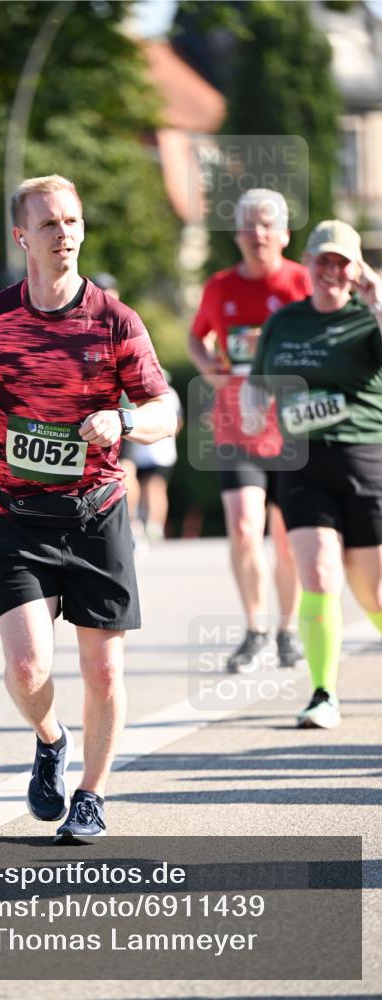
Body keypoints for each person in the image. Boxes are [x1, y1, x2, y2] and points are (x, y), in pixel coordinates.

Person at [0, 174, 176, 841]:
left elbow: (167, 410)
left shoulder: (113, 320)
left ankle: (92, 797)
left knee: (103, 669)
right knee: (26, 668)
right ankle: (49, 739)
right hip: (17, 515)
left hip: (96, 511)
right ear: (22, 237)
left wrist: (123, 421)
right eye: (48, 224)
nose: (63, 234)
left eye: (72, 222)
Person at [243, 220, 382, 728]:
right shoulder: (287, 321)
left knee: (373, 592)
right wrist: (256, 410)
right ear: (308, 261)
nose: (330, 270)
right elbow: (259, 381)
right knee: (318, 572)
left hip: (365, 457)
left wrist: (378, 300)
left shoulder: (369, 317)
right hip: (301, 460)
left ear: (356, 267)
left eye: (340, 260)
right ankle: (324, 692)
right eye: (322, 259)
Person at [189, 189, 311, 672]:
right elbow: (197, 335)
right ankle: (256, 628)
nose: (257, 233)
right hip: (235, 427)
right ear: (236, 234)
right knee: (243, 528)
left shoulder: (302, 282)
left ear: (283, 234)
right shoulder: (219, 287)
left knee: (286, 538)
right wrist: (208, 369)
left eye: (267, 224)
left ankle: (289, 631)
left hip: (292, 431)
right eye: (248, 225)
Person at [125, 380, 183, 542]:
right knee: (139, 486)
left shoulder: (169, 394)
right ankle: (139, 522)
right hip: (139, 451)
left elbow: (176, 422)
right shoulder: (131, 390)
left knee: (154, 487)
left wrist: (160, 433)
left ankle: (154, 526)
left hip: (160, 453)